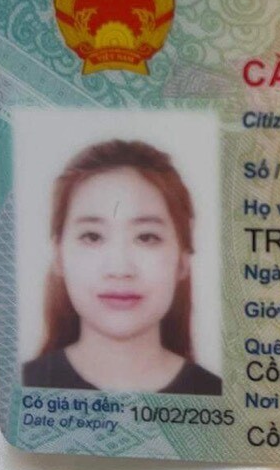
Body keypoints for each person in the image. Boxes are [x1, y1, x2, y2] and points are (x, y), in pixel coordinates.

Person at [23, 138, 222, 395]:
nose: (119, 269)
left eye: (146, 237)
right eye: (92, 236)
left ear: (183, 259)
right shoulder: (24, 386)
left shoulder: (217, 395)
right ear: (59, 255)